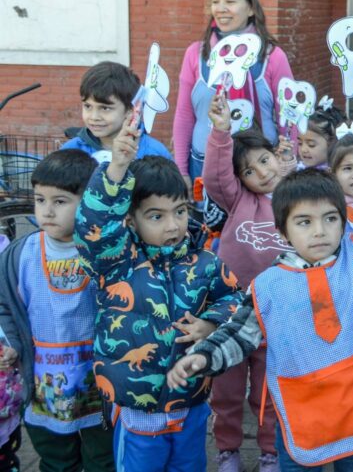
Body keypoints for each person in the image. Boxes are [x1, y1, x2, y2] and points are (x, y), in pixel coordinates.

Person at [168, 111, 353, 471]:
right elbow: (240, 334)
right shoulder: (268, 285)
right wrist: (204, 357)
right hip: (301, 411)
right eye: (304, 222)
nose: (320, 231)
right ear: (282, 232)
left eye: (330, 218)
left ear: (343, 221)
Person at [74, 116, 242, 471]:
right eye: (156, 216)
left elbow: (235, 300)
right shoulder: (116, 262)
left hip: (192, 404)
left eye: (180, 212)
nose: (173, 225)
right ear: (131, 220)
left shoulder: (207, 262)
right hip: (137, 412)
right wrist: (117, 166)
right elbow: (93, 227)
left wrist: (211, 324)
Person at [0, 150, 113, 471]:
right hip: (43, 383)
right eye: (40, 200)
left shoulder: (103, 252)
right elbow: (5, 305)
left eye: (60, 201)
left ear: (88, 202)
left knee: (101, 458)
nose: (47, 211)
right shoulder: (21, 254)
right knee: (55, 458)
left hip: (97, 382)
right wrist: (10, 344)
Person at [203, 91, 293, 472]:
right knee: (225, 388)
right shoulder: (237, 199)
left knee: (268, 392)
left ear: (277, 154)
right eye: (249, 170)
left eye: (264, 159)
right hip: (232, 310)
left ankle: (270, 452)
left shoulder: (295, 197)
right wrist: (220, 133)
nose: (261, 172)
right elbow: (215, 175)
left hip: (277, 312)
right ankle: (227, 450)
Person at [173, 0, 293, 184]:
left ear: (251, 8)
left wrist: (286, 161)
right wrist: (181, 170)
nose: (221, 9)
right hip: (204, 166)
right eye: (215, 1)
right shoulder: (195, 54)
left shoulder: (272, 56)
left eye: (230, 1)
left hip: (260, 169)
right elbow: (184, 115)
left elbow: (289, 117)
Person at [62, 61, 172, 163]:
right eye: (87, 106)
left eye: (105, 108)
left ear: (130, 110)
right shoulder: (70, 151)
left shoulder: (154, 153)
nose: (94, 117)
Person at [297, 103, 345, 170]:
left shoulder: (337, 174)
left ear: (331, 142)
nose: (303, 149)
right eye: (300, 143)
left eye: (311, 145)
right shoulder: (297, 170)